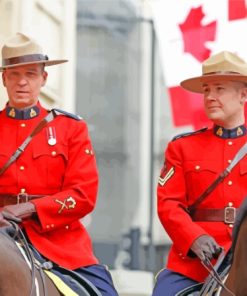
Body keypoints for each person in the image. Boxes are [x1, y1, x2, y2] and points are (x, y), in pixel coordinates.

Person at [0, 32, 118, 296]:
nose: (22, 82)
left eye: (30, 74)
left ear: (44, 78)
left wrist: (30, 208)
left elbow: (83, 195)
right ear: (4, 78)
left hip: (60, 243)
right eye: (14, 74)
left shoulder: (70, 128)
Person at [153, 50, 247, 295]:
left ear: (243, 95)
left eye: (219, 89)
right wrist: (193, 237)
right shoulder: (182, 146)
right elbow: (168, 205)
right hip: (194, 265)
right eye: (206, 89)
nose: (210, 97)